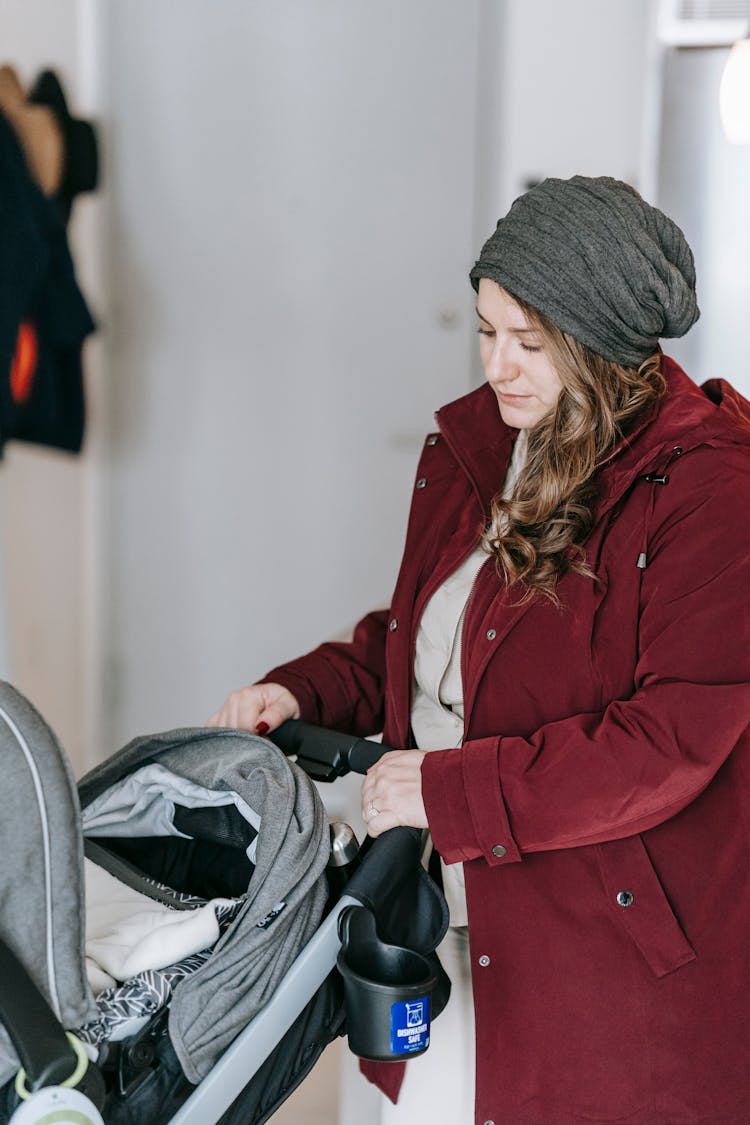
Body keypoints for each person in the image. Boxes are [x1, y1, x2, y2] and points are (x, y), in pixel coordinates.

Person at [209, 176, 750, 1125]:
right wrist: (303, 690)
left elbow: (669, 741)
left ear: (603, 345)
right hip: (430, 896)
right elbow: (427, 631)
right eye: (486, 330)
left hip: (597, 950)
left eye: (528, 343)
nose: (496, 366)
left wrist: (450, 790)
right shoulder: (489, 446)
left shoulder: (709, 493)